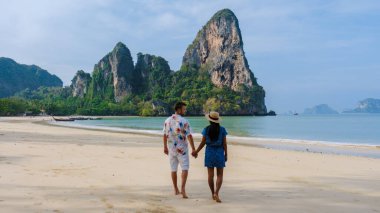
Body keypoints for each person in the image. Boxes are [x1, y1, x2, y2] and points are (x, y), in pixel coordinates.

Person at [192, 111, 228, 203]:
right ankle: (217, 193)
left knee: (210, 175)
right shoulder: (222, 130)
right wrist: (226, 154)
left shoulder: (206, 129)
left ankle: (212, 193)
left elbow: (203, 142)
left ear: (210, 120)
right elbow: (224, 143)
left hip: (209, 153)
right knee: (220, 175)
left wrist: (196, 151)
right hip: (219, 153)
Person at [163, 101, 196, 199]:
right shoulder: (184, 121)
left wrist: (165, 147)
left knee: (173, 169)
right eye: (184, 109)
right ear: (178, 109)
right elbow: (189, 136)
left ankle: (176, 189)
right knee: (185, 168)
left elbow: (164, 135)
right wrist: (193, 149)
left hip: (172, 149)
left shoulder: (167, 120)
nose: (185, 111)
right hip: (182, 150)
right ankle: (183, 189)